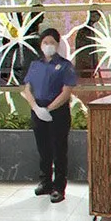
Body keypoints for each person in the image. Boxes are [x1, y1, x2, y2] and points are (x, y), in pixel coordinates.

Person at [25, 26, 80, 204]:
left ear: (57, 44)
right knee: (43, 149)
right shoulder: (35, 65)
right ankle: (45, 182)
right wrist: (36, 108)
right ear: (41, 44)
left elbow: (66, 92)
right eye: (45, 42)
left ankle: (58, 187)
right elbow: (27, 88)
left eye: (52, 42)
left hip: (57, 113)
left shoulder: (65, 65)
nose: (48, 45)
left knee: (59, 150)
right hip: (37, 111)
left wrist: (48, 109)